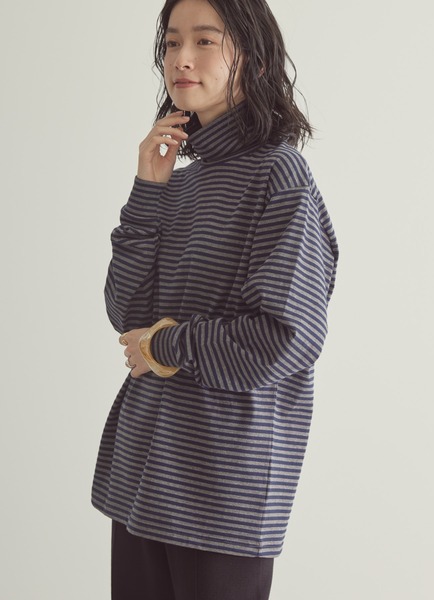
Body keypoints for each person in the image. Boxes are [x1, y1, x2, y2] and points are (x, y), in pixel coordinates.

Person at [91, 0, 339, 598]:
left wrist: (165, 345)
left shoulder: (280, 176)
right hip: (143, 478)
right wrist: (148, 189)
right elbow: (127, 315)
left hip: (221, 491)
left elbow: (284, 338)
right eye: (171, 43)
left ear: (252, 57)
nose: (181, 58)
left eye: (204, 41)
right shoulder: (179, 181)